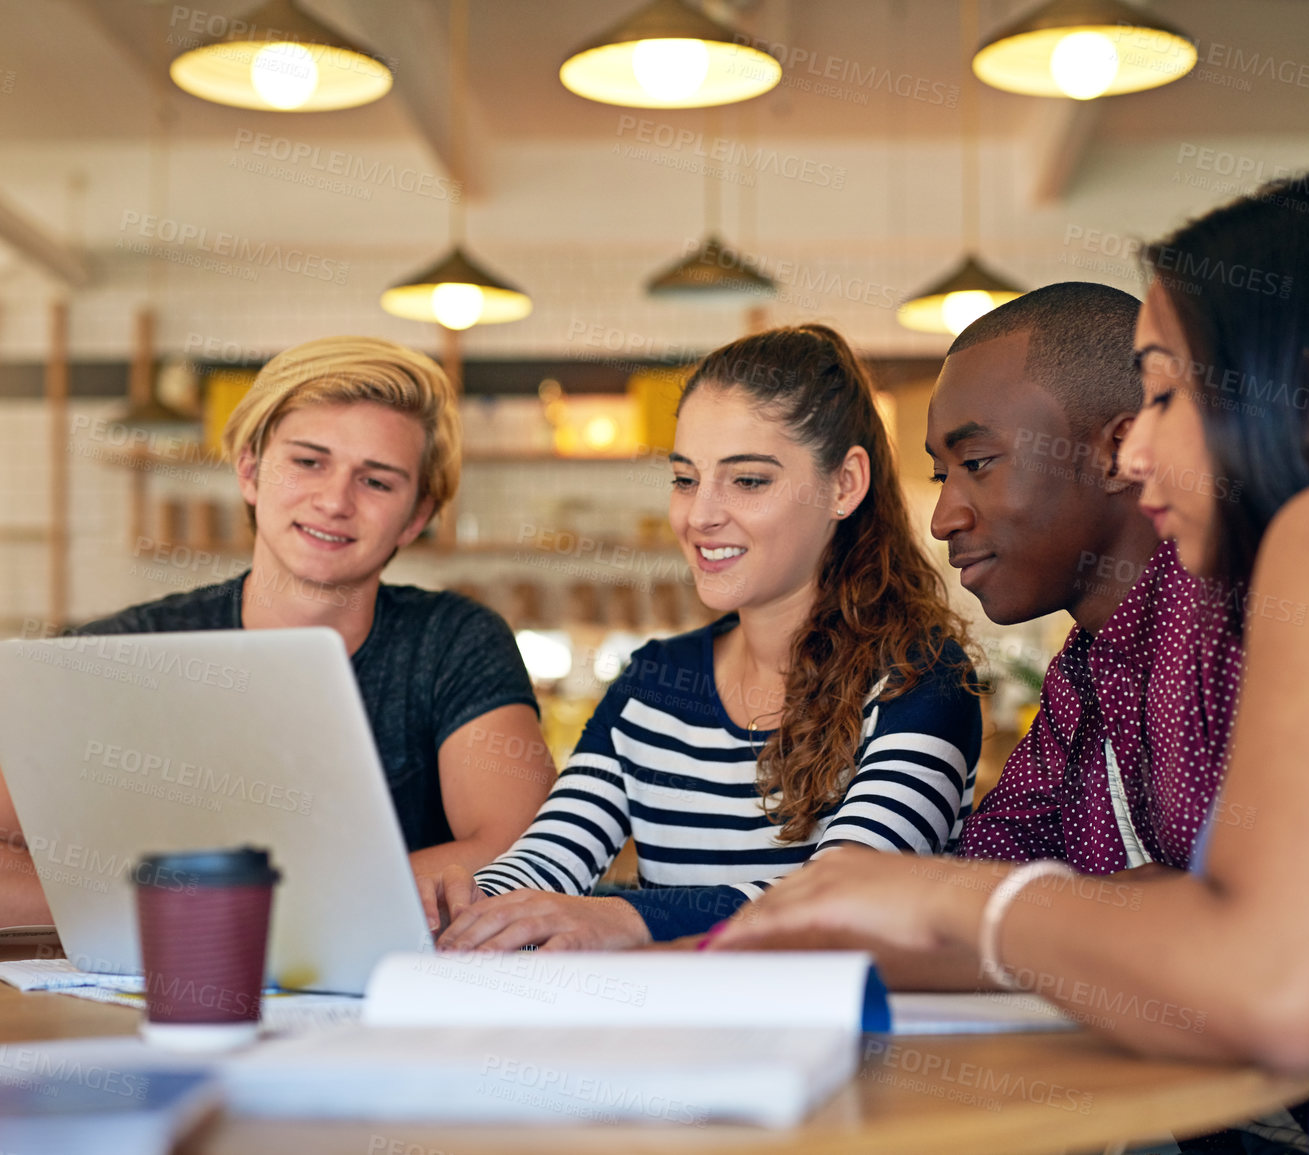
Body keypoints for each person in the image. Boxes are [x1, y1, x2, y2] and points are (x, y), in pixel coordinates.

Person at [712, 172, 1309, 1154]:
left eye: (1166, 393)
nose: (1136, 455)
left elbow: (1273, 985)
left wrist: (943, 898)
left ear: (1307, 395)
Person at [0, 337, 553, 927]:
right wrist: (207, 914)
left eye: (376, 481)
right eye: (308, 461)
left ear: (415, 518)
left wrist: (240, 904)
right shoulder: (127, 653)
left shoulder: (452, 642)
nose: (334, 500)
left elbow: (524, 849)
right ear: (252, 471)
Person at [421, 324, 983, 949]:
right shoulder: (656, 682)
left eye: (748, 481)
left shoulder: (922, 678)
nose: (700, 515)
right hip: (675, 1039)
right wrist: (473, 903)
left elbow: (845, 900)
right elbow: (548, 856)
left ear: (845, 484)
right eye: (686, 480)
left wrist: (626, 916)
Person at [932, 282, 1243, 878]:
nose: (944, 519)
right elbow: (995, 870)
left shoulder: (1229, 626)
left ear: (1119, 451)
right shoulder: (1084, 669)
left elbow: (1247, 920)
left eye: (975, 464)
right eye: (938, 474)